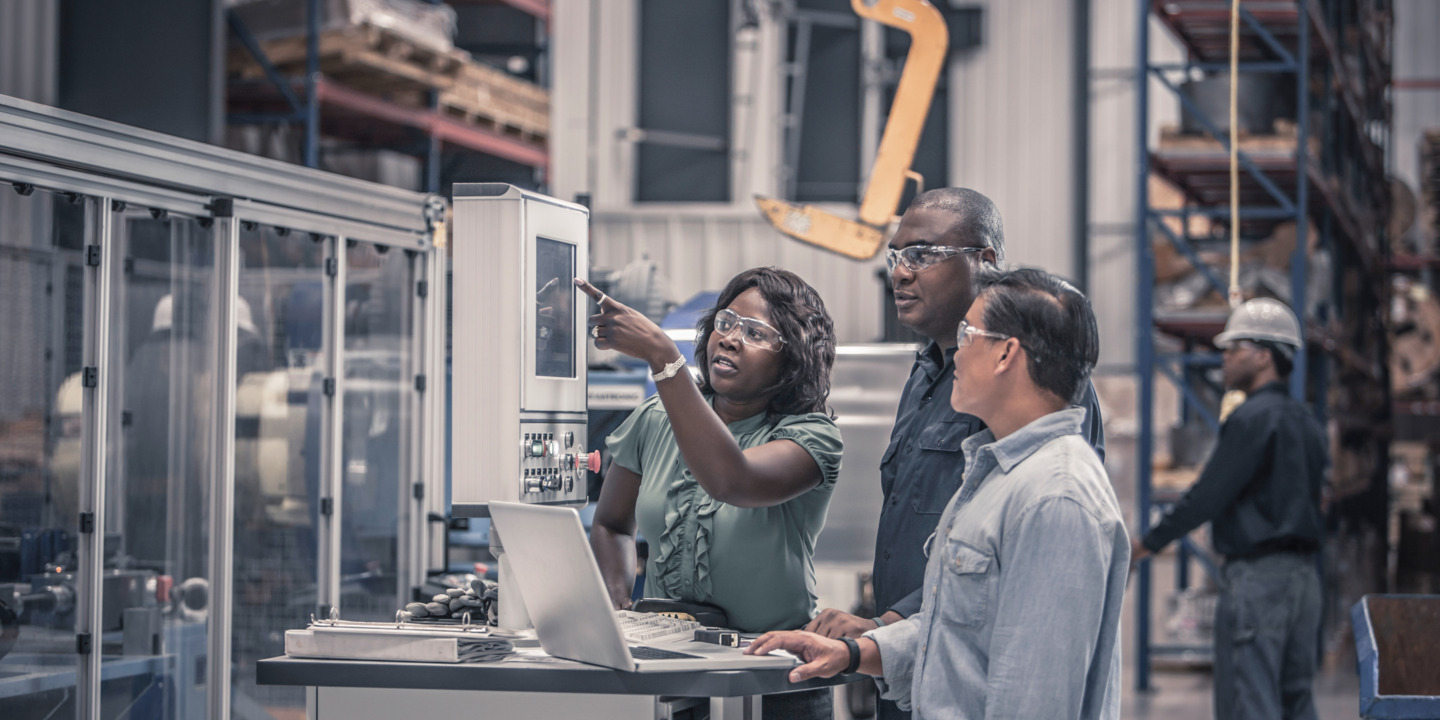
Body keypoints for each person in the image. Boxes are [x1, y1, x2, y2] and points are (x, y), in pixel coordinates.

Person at [746, 267, 1128, 719]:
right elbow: (956, 630)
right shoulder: (997, 475)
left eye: (968, 336)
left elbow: (1036, 695)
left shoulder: (1055, 498)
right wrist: (854, 652)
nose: (956, 356)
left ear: (1006, 354)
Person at [804, 187, 1106, 720]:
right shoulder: (925, 376)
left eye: (922, 254)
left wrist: (886, 630)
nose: (899, 272)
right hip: (916, 670)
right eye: (896, 256)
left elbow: (1033, 671)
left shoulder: (1050, 465)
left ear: (985, 261)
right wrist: (869, 643)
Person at [577, 267, 842, 719]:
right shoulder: (653, 419)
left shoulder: (811, 437)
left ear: (792, 357)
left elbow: (733, 481)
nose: (731, 339)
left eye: (756, 332)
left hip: (772, 678)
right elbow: (611, 523)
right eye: (727, 322)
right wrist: (619, 604)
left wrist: (664, 358)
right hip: (672, 674)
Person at [1130, 297, 1325, 720]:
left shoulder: (1250, 419)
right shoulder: (1306, 421)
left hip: (1257, 582)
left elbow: (1207, 496)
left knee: (1248, 702)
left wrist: (1145, 544)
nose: (1226, 358)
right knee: (1297, 700)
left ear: (1264, 355)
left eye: (1234, 348)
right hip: (1304, 581)